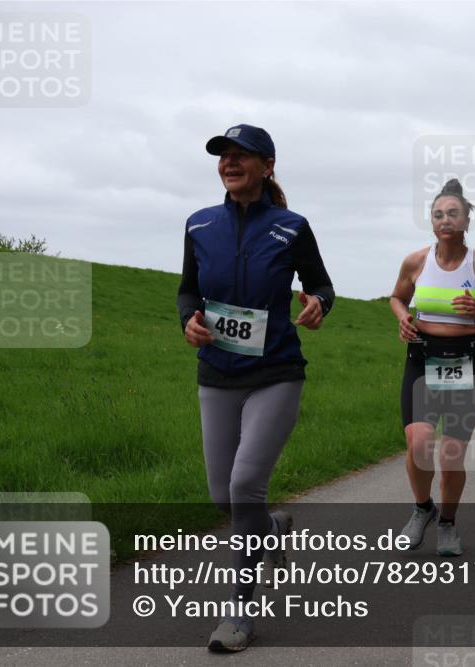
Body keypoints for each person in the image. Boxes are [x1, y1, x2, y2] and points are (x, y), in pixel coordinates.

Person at [177, 124, 334, 652]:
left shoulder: (291, 227)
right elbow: (186, 292)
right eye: (224, 155)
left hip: (275, 373)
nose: (230, 162)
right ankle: (273, 526)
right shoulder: (199, 225)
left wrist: (317, 303)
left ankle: (240, 612)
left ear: (267, 166)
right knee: (224, 497)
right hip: (217, 373)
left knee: (245, 487)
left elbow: (321, 284)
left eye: (242, 156)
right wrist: (188, 323)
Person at [390, 178, 475, 557]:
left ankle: (447, 523)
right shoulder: (416, 261)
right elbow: (398, 297)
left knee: (450, 454)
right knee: (417, 442)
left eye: (453, 214)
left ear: (466, 221)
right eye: (437, 214)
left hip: (467, 361)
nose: (445, 220)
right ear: (431, 222)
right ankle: (421, 509)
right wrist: (402, 316)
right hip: (422, 357)